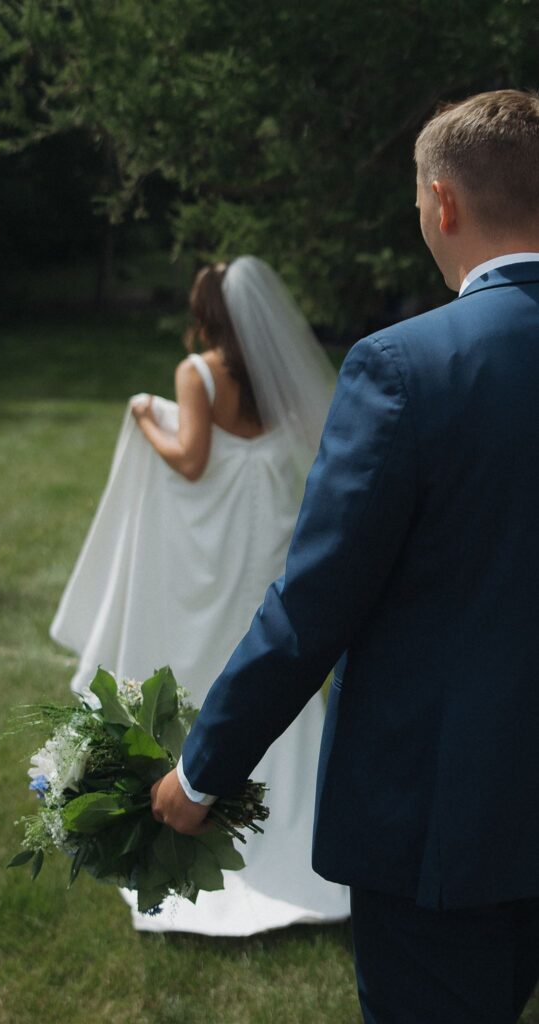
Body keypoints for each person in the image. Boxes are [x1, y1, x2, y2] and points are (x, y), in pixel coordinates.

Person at [152, 90, 539, 1022]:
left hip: (452, 830)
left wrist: (202, 771)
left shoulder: (403, 367)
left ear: (441, 204)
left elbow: (314, 604)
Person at [50, 256, 350, 934]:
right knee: (270, 667)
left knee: (202, 665)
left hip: (211, 554)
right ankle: (291, 830)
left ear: (205, 314)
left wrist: (141, 416)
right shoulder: (272, 381)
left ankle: (193, 801)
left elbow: (191, 458)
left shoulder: (197, 374)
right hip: (264, 544)